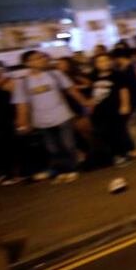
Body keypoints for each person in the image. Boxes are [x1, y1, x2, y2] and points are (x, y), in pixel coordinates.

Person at [12, 50, 92, 182]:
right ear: (28, 63)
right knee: (52, 148)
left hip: (62, 115)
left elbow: (71, 90)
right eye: (37, 58)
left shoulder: (55, 74)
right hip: (41, 120)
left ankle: (72, 169)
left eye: (42, 57)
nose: (42, 60)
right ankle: (62, 170)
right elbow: (21, 104)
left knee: (68, 144)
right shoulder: (23, 83)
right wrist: (22, 121)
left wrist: (85, 102)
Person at [89, 52, 135, 167]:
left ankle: (122, 154)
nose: (104, 63)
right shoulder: (93, 77)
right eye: (100, 61)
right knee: (106, 133)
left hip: (114, 109)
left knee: (118, 132)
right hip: (100, 111)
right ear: (95, 64)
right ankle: (115, 154)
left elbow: (123, 90)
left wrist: (125, 105)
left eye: (106, 60)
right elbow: (92, 94)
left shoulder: (117, 75)